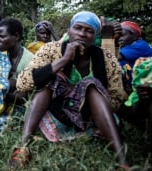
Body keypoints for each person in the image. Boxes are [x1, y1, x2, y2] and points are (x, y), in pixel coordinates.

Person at [10, 11, 127, 168]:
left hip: (90, 116)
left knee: (91, 85)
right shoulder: (51, 50)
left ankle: (122, 161)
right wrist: (64, 60)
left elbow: (116, 100)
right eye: (78, 28)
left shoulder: (105, 57)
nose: (82, 34)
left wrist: (79, 91)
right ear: (69, 30)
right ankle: (23, 147)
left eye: (89, 31)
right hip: (57, 112)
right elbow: (23, 83)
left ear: (95, 35)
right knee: (49, 82)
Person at [117, 20, 152, 93]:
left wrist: (108, 38)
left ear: (135, 36)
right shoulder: (127, 45)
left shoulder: (140, 45)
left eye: (123, 35)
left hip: (142, 89)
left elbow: (115, 57)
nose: (120, 38)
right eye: (118, 36)